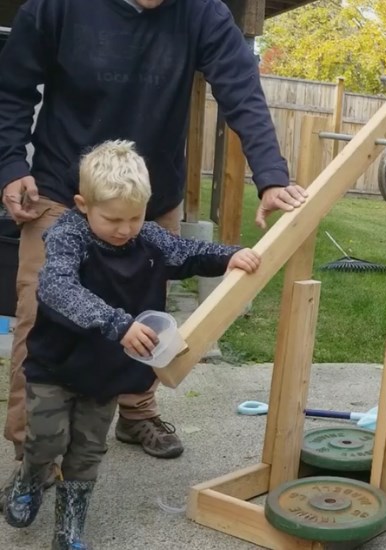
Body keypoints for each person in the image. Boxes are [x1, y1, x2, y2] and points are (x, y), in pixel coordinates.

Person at [0, 0, 307, 468]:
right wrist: (10, 165)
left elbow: (241, 91)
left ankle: (136, 410)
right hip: (65, 189)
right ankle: (33, 451)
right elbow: (12, 89)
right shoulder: (56, 7)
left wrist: (271, 176)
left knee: (143, 307)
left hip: (148, 197)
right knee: (41, 311)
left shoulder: (202, 13)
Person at [3, 140, 262, 549]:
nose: (125, 229)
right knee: (47, 440)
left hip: (105, 372)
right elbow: (56, 288)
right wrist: (117, 323)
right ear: (82, 204)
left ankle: (69, 530)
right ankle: (31, 477)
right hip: (55, 366)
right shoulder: (68, 235)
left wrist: (231, 256)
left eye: (136, 217)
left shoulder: (150, 238)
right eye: (114, 218)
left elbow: (189, 252)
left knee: (88, 450)